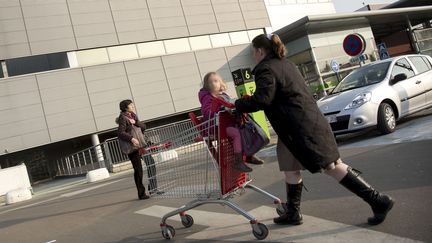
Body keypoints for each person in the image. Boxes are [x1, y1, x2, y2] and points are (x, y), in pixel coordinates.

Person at [234, 34, 394, 226]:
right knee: (291, 169)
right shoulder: (287, 65)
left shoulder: (266, 69)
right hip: (299, 126)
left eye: (254, 52)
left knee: (332, 166)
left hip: (299, 129)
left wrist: (238, 104)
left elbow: (262, 99)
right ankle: (293, 213)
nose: (253, 55)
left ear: (260, 51)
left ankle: (377, 200)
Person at [199, 72, 264, 173]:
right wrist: (220, 109)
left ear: (221, 83)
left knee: (245, 129)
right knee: (237, 134)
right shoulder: (207, 98)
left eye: (216, 81)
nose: (213, 83)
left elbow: (230, 103)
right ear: (207, 85)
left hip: (227, 124)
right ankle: (238, 161)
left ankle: (249, 155)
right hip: (217, 127)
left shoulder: (223, 95)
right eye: (211, 82)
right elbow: (207, 112)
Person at [117, 99, 159, 200]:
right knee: (138, 170)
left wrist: (135, 122)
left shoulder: (133, 116)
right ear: (125, 107)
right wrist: (131, 138)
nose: (133, 106)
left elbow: (144, 127)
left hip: (141, 146)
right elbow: (121, 132)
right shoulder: (123, 118)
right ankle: (141, 194)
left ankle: (153, 188)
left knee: (151, 163)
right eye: (131, 105)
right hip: (133, 148)